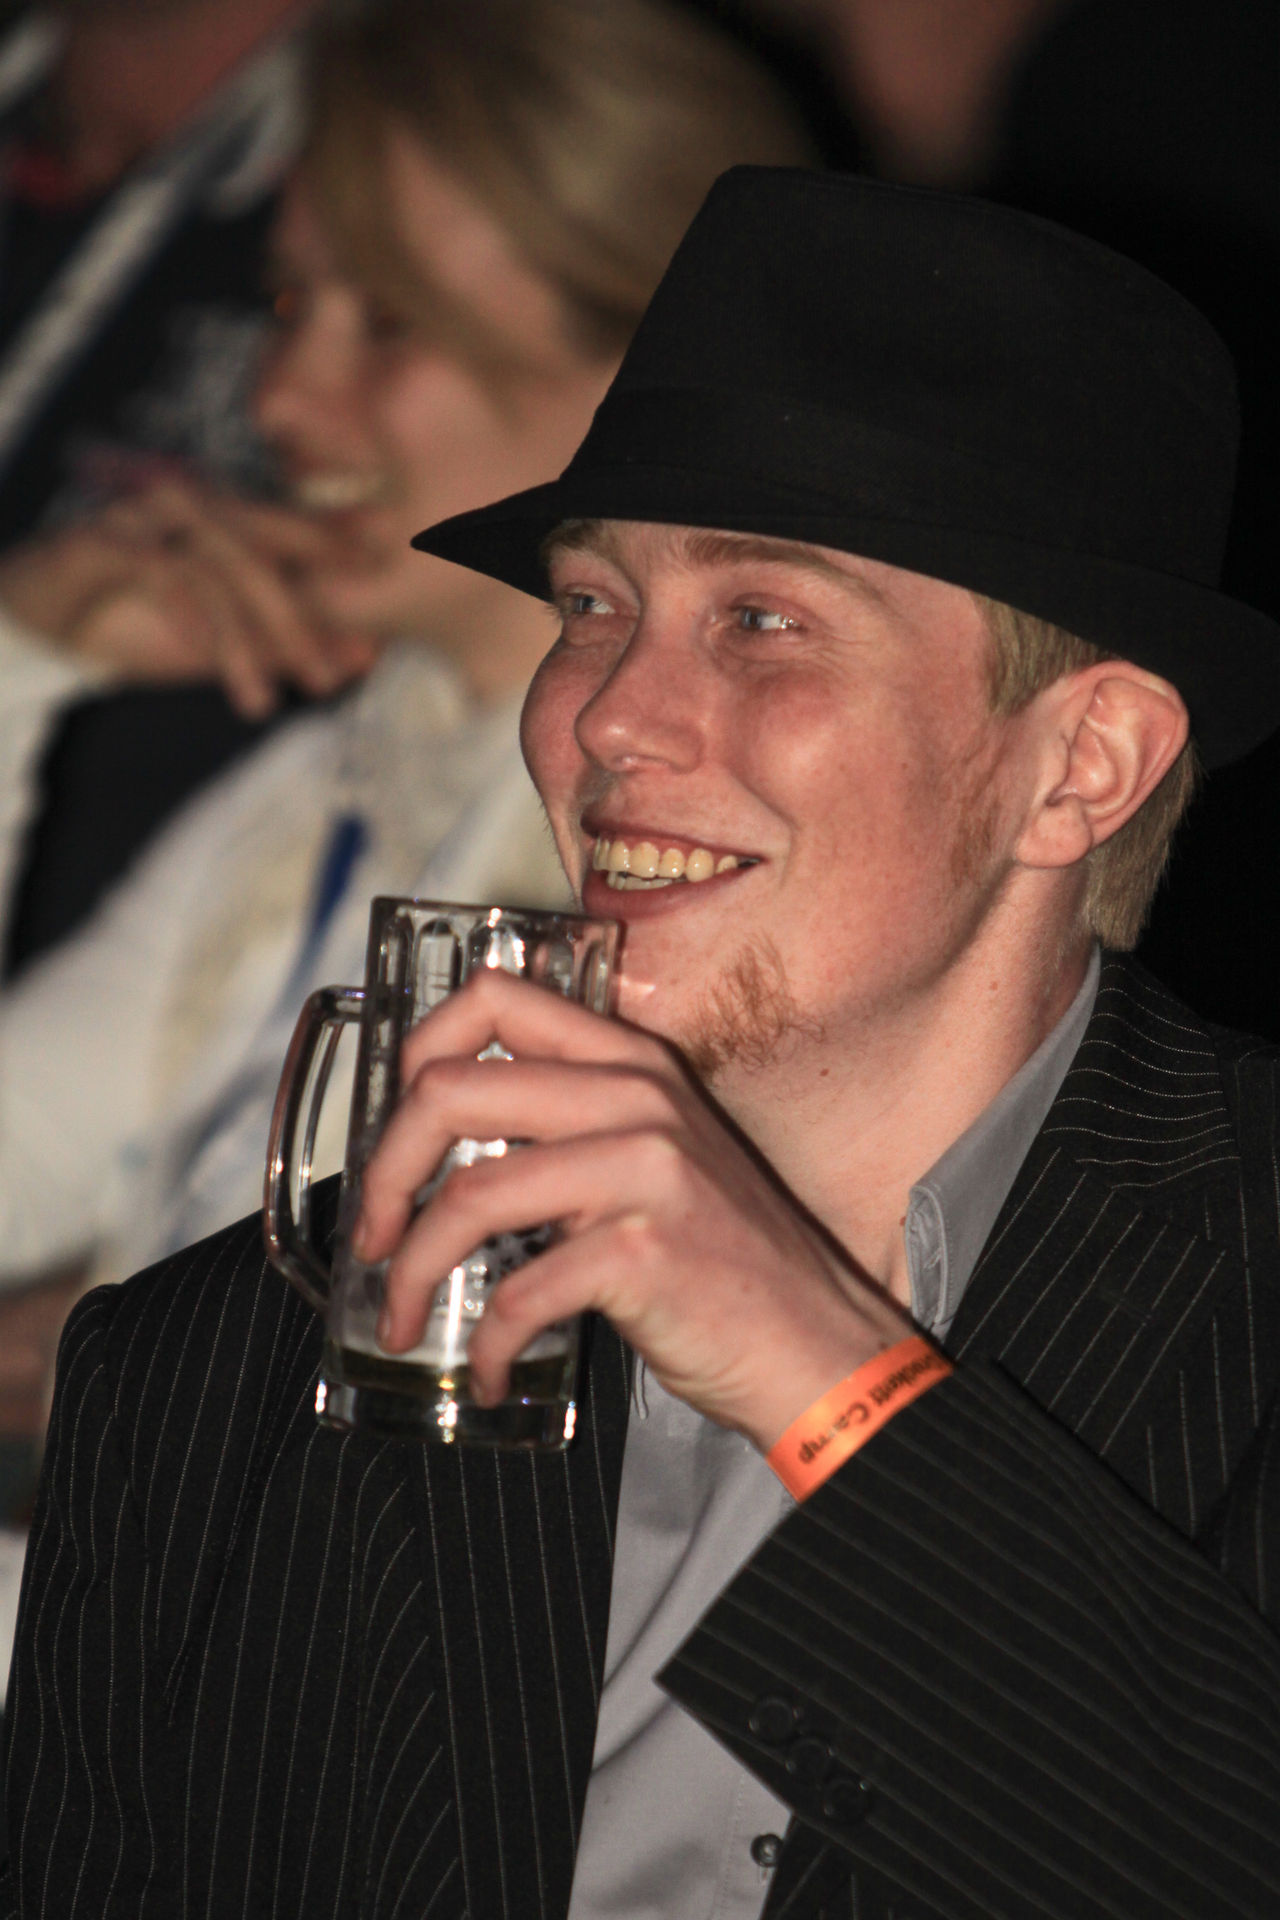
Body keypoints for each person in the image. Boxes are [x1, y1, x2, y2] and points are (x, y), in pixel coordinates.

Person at [7, 166, 1280, 1919]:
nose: (608, 715)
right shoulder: (206, 1386)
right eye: (590, 606)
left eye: (762, 621)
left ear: (1083, 766)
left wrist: (824, 1377)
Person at [0, 0, 323, 972]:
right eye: (293, 308)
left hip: (220, 987)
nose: (292, 396)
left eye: (384, 320)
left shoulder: (439, 120)